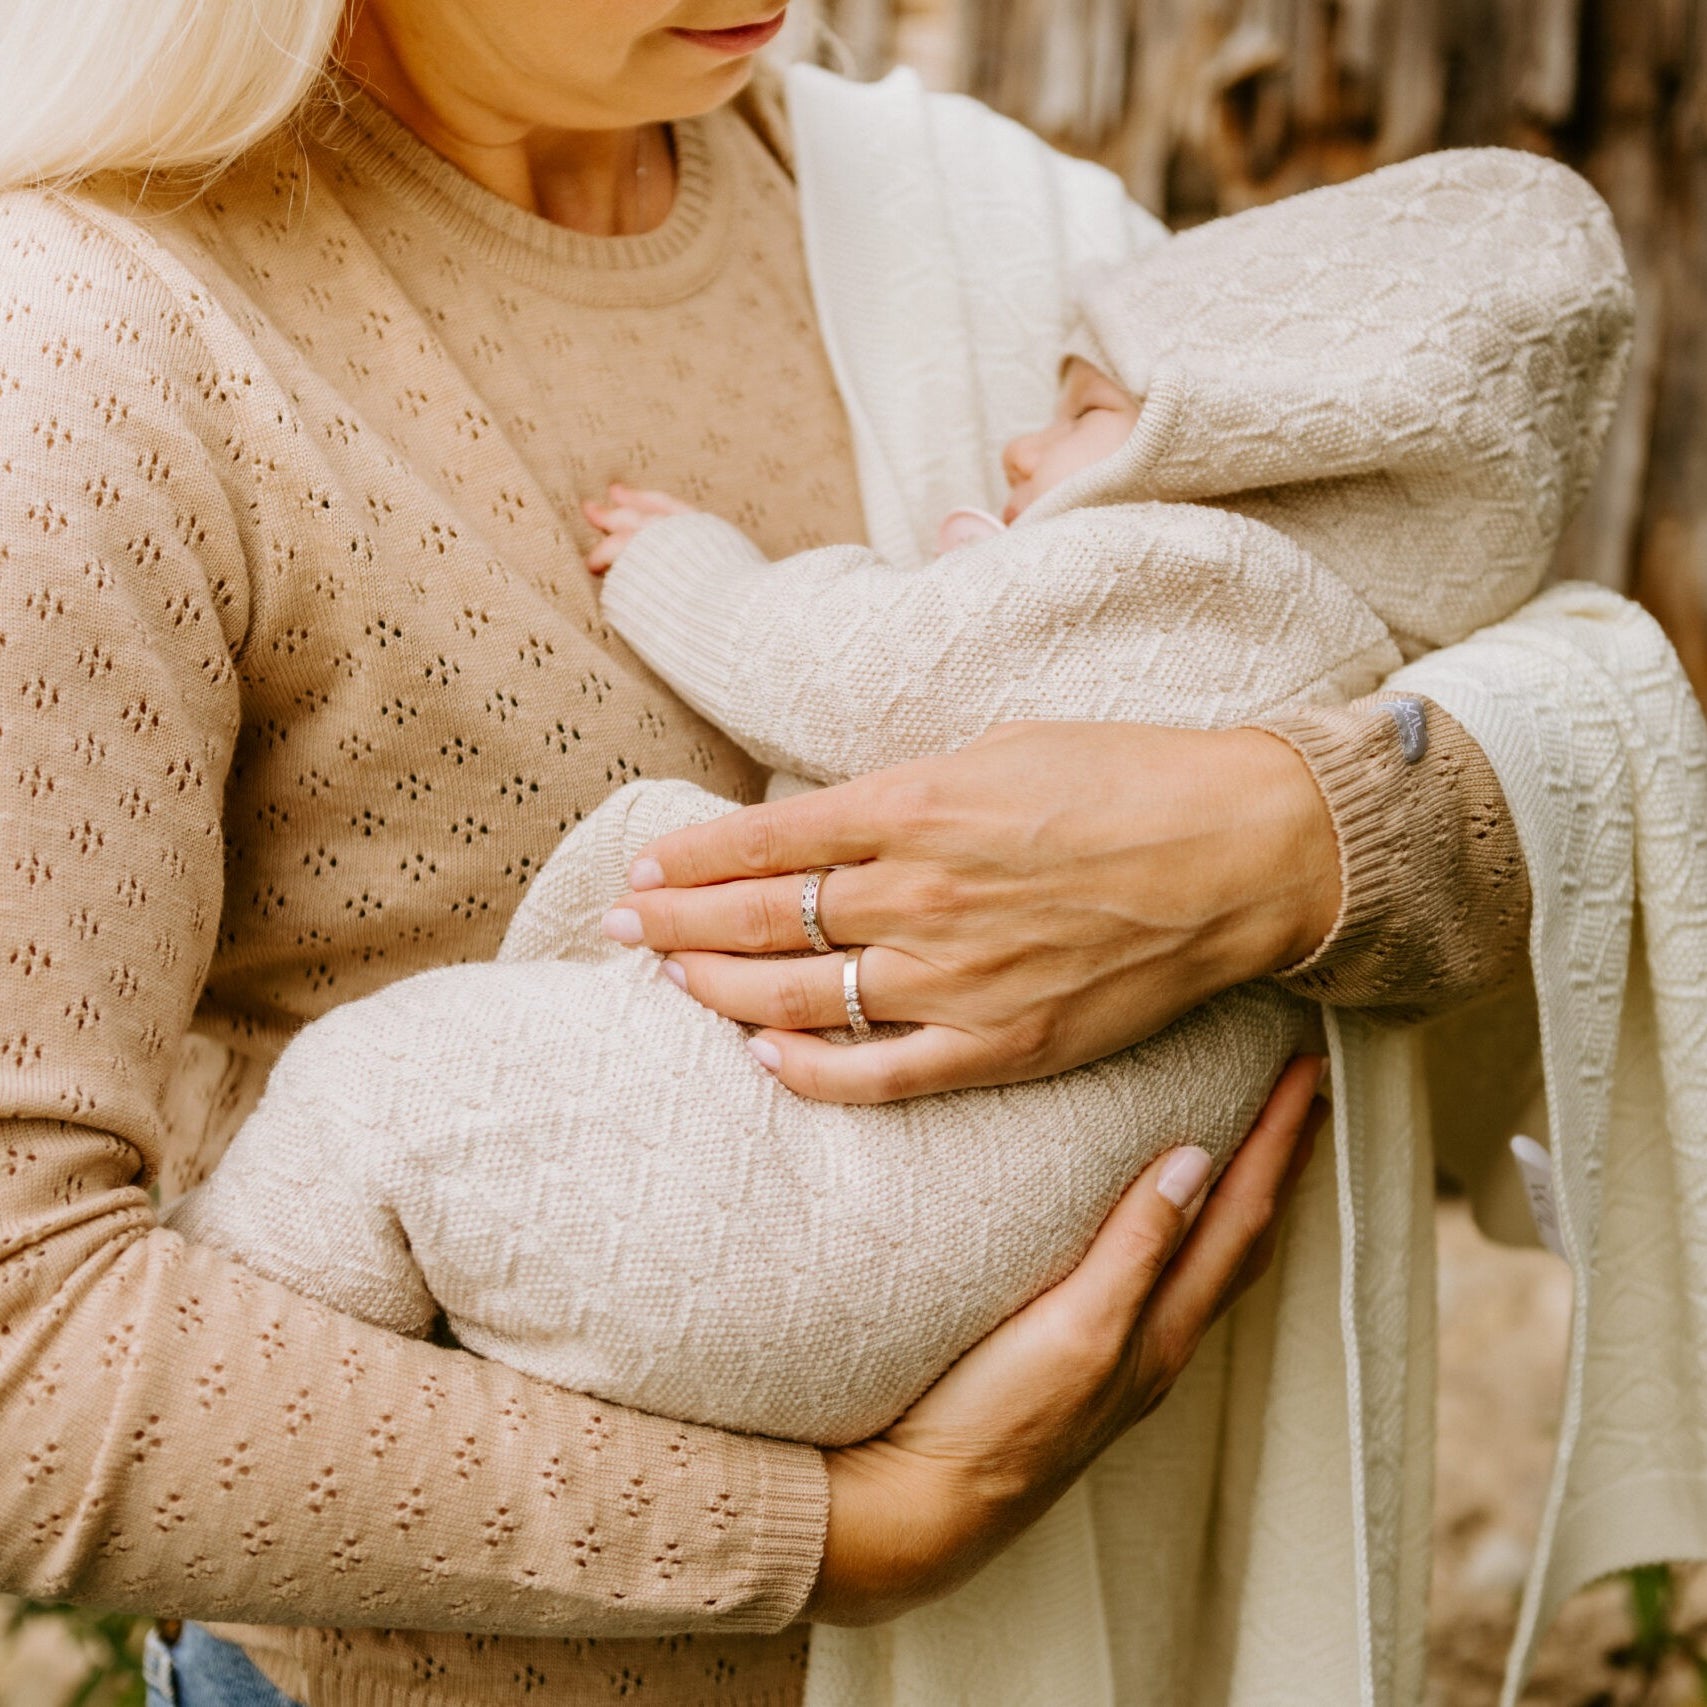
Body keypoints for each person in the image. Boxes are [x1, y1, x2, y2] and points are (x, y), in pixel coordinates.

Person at [0, 0, 1557, 1701]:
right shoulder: (89, 356)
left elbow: (1550, 705)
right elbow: (28, 1368)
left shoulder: (969, 226)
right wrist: (849, 1528)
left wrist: (1287, 843)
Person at [162, 156, 1629, 1459]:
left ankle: (230, 1386)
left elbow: (858, 673)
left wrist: (696, 569)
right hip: (935, 1290)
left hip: (817, 1197)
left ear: (1243, 459)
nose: (1017, 449)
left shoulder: (1199, 575)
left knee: (376, 1097)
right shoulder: (1349, 661)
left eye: (1085, 417)